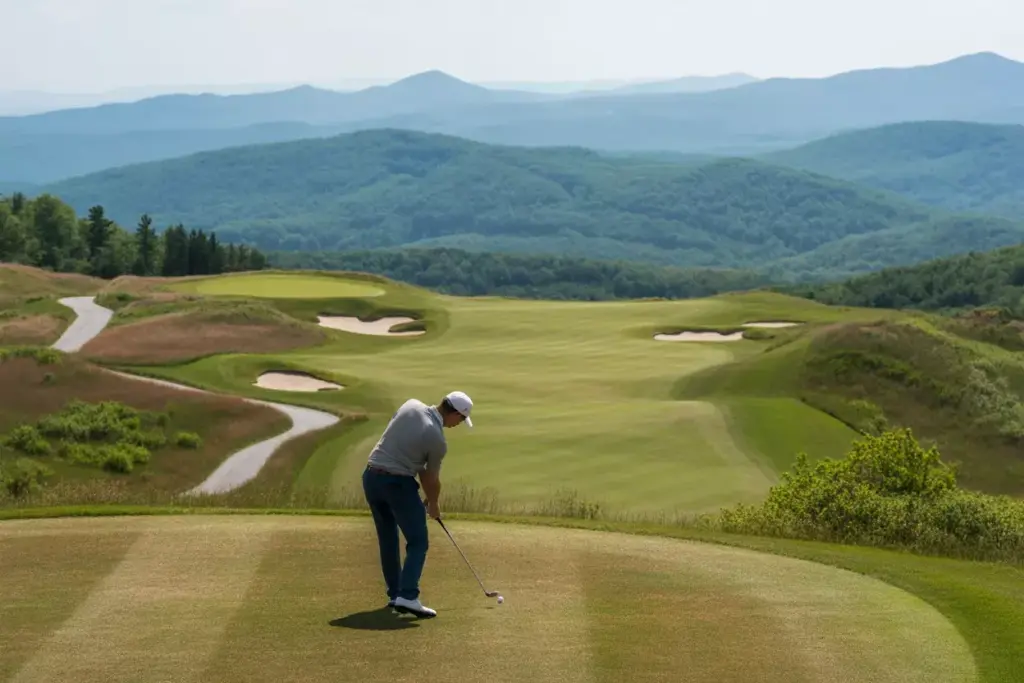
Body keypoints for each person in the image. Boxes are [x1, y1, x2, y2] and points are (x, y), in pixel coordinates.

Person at [361, 390, 474, 618]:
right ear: (454, 414)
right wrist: (434, 504)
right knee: (418, 541)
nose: (459, 425)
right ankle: (408, 596)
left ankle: (396, 594)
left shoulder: (410, 405)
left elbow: (420, 468)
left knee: (388, 538)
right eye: (461, 420)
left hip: (371, 477)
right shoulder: (437, 440)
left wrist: (431, 500)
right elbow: (431, 478)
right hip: (397, 483)